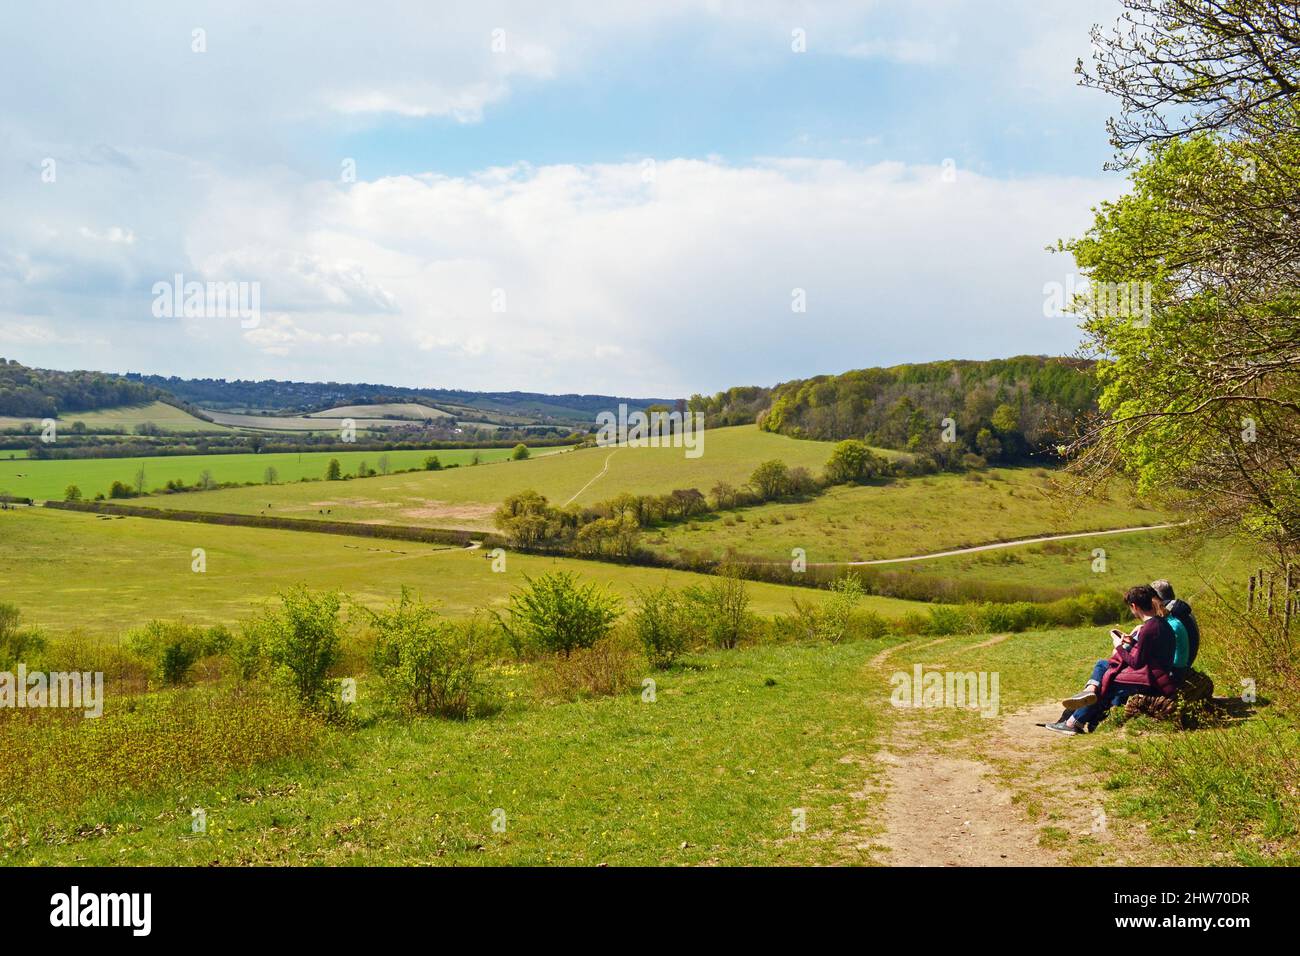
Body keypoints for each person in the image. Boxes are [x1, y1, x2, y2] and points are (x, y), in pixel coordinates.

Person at [1045, 585, 1177, 735]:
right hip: (1159, 673)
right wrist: (1132, 642)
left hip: (1152, 679)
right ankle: (1087, 698)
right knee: (1103, 665)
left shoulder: (1148, 628)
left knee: (1106, 679)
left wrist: (1119, 646)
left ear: (1134, 606)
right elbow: (1149, 653)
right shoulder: (1161, 624)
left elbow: (1136, 662)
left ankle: (1073, 722)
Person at [1151, 579, 1199, 673]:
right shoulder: (1181, 608)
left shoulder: (1167, 614)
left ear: (1155, 598)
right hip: (1188, 660)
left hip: (1177, 667)